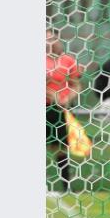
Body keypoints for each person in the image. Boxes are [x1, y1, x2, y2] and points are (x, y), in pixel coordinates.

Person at [46, 29, 81, 193]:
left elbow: (76, 85)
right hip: (45, 107)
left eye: (52, 38)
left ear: (58, 39)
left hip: (62, 109)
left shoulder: (68, 61)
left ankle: (66, 186)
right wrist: (51, 95)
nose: (49, 41)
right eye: (46, 39)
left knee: (61, 148)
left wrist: (67, 98)